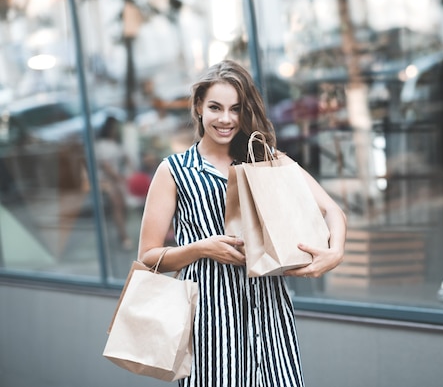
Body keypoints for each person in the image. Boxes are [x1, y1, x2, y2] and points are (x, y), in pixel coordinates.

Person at [137, 59, 346, 387]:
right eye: (215, 107)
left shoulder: (266, 159)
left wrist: (335, 253)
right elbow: (148, 257)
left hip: (269, 312)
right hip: (209, 319)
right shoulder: (174, 170)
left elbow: (333, 211)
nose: (225, 119)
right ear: (198, 107)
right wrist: (201, 248)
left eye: (235, 109)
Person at [95, 116, 132, 250]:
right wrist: (118, 177)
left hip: (117, 179)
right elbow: (105, 166)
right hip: (106, 180)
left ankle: (122, 232)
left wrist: (130, 171)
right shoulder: (101, 145)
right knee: (117, 205)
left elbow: (126, 158)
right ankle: (124, 237)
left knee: (123, 206)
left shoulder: (117, 144)